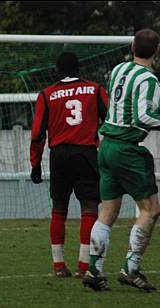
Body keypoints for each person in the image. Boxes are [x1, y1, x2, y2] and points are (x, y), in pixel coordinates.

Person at [82, 29, 160, 292]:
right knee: (150, 209)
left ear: (132, 46)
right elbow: (143, 117)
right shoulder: (149, 79)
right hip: (127, 149)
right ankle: (131, 268)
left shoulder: (118, 69)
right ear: (157, 50)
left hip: (106, 147)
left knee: (108, 211)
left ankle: (94, 269)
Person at [30, 51, 108, 278]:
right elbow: (111, 120)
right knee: (90, 207)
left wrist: (35, 163)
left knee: (59, 207)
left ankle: (58, 265)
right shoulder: (95, 90)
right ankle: (83, 267)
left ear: (57, 71)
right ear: (79, 69)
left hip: (59, 155)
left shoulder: (46, 94)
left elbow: (37, 134)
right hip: (85, 153)